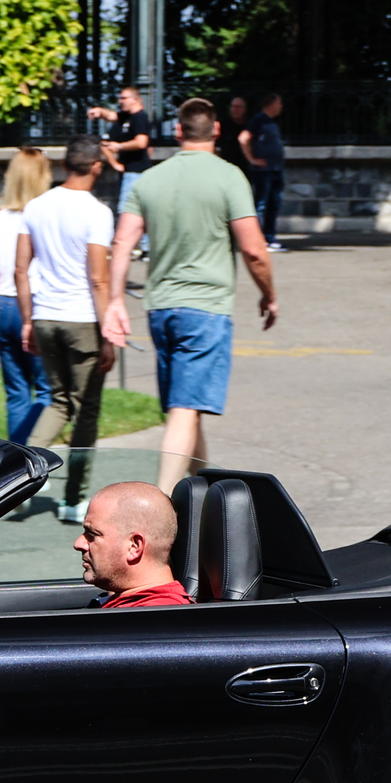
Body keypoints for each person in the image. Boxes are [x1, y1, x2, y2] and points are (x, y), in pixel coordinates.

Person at [106, 97, 278, 493]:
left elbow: (122, 240)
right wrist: (269, 294)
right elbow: (254, 250)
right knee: (184, 411)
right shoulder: (230, 176)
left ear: (178, 131)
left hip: (161, 308)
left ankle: (203, 495)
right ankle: (160, 504)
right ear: (217, 130)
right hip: (205, 309)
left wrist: (115, 301)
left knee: (187, 410)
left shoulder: (149, 180)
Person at [15, 137, 118, 516]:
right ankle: (74, 498)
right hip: (82, 320)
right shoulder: (97, 212)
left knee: (57, 402)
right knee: (85, 409)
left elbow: (20, 269)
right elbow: (98, 279)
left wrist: (28, 319)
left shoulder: (37, 206)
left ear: (64, 166)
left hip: (45, 314)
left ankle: (20, 484)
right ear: (95, 167)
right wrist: (108, 333)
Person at [0, 147, 53, 444]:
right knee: (47, 390)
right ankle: (38, 451)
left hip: (3, 306)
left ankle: (18, 459)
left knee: (16, 391)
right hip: (37, 304)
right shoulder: (45, 214)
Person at [74, 482, 191, 608]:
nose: (78, 544)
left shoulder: (155, 619)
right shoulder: (131, 606)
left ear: (134, 546)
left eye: (92, 535)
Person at [90, 85, 158, 212]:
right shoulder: (127, 117)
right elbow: (111, 116)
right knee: (133, 210)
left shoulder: (140, 117)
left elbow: (141, 142)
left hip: (137, 171)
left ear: (134, 99)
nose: (120, 101)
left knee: (126, 210)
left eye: (124, 98)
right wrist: (99, 111)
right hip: (127, 171)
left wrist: (120, 146)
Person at [240, 92, 286, 251]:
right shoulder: (258, 120)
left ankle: (270, 237)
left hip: (275, 169)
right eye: (279, 103)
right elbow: (243, 138)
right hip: (263, 171)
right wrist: (252, 159)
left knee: (274, 204)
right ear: (271, 104)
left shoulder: (271, 122)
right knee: (261, 204)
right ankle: (258, 239)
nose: (281, 106)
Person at [218, 96, 250, 174]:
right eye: (232, 106)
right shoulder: (223, 125)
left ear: (245, 109)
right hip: (226, 166)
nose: (235, 109)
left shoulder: (249, 125)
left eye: (238, 107)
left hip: (246, 167)